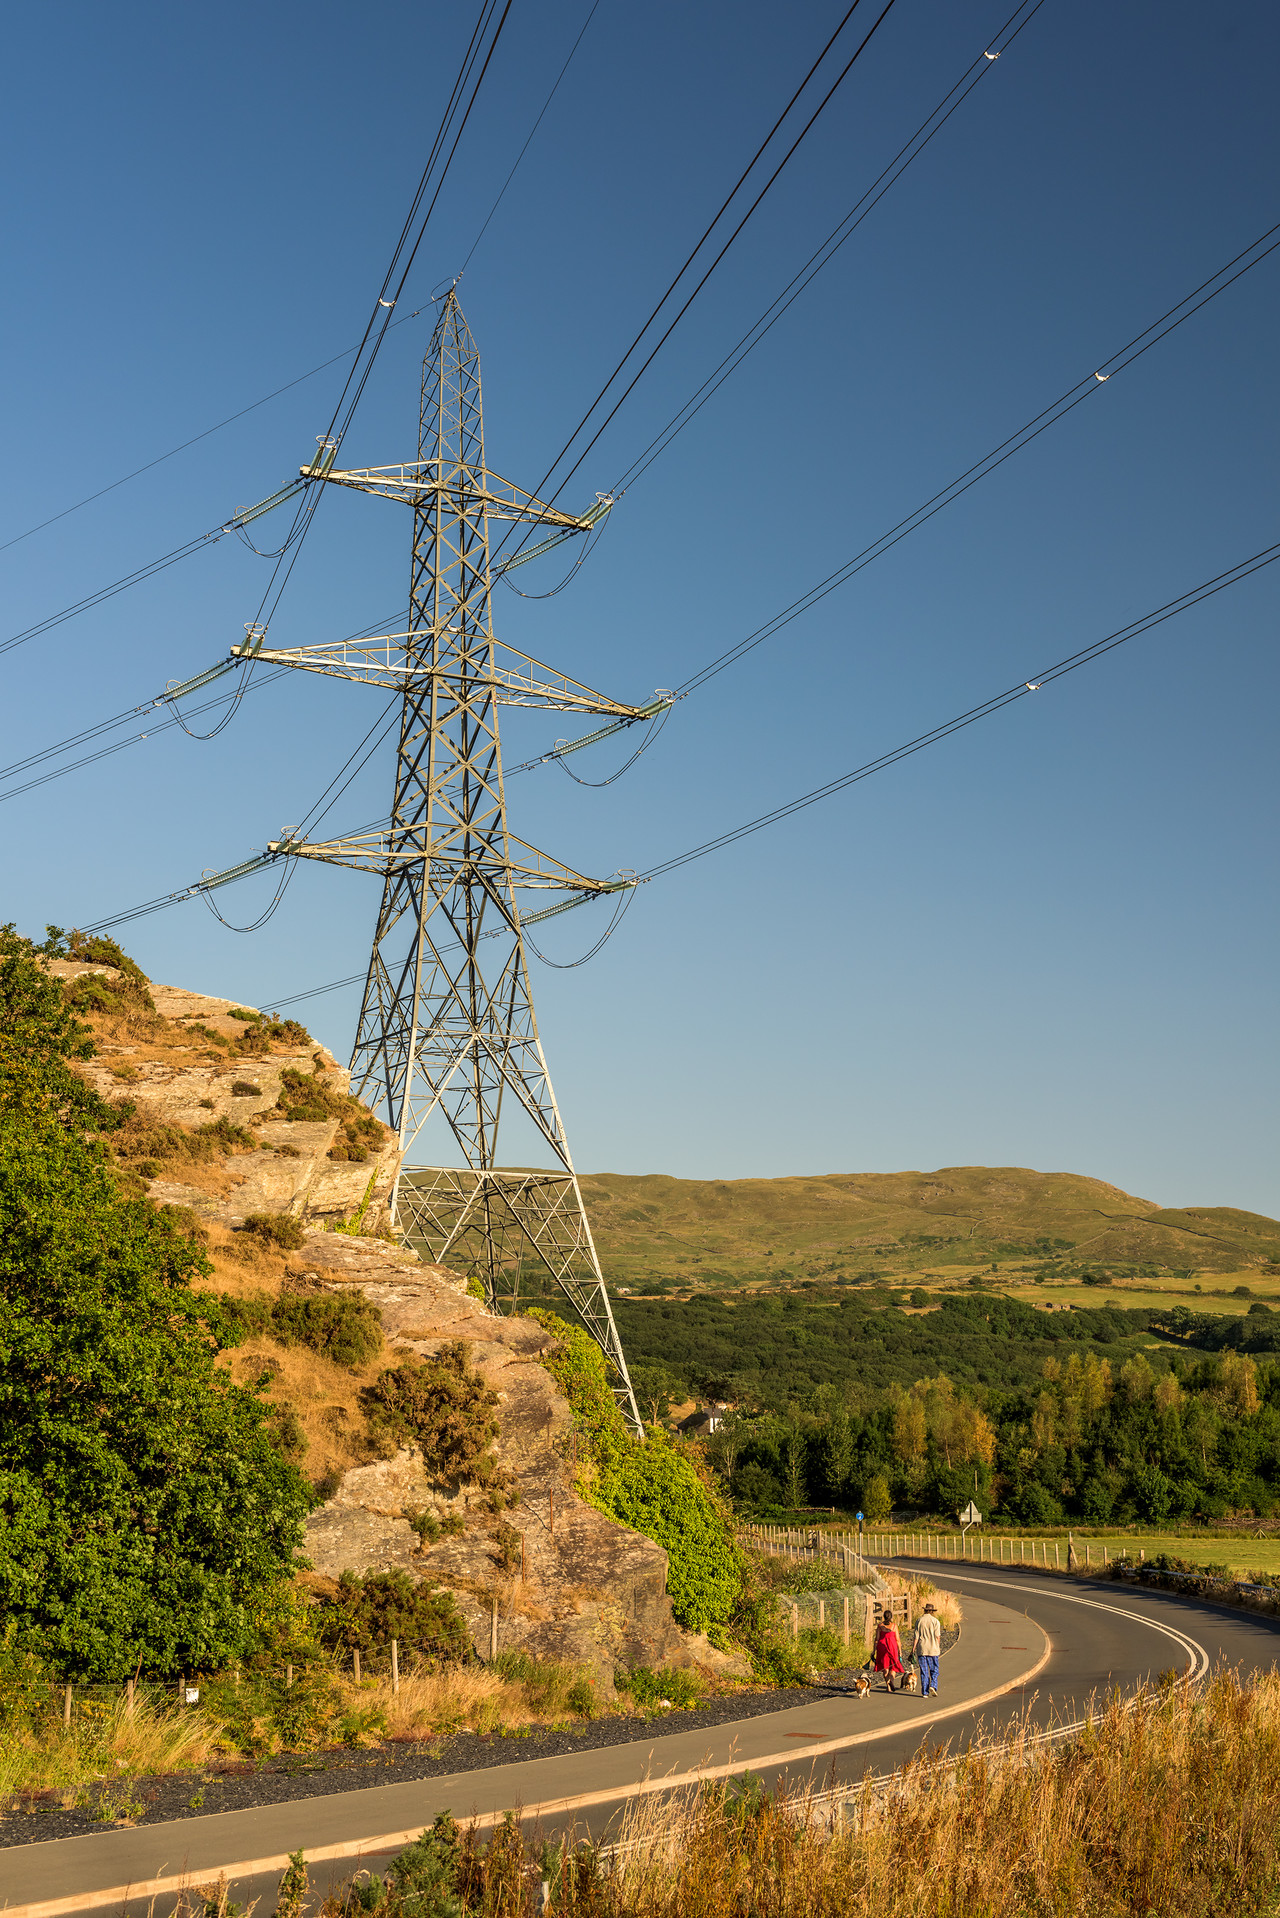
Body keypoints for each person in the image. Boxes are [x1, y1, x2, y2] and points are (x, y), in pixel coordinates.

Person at [871, 1609, 905, 1692]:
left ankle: (888, 1686)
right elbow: (897, 1640)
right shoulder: (894, 1626)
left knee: (885, 1666)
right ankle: (891, 1681)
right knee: (893, 1665)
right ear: (891, 1617)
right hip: (892, 1647)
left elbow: (877, 1639)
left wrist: (874, 1650)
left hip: (882, 1647)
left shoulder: (880, 1626)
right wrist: (900, 1651)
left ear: (884, 1617)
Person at [914, 1601, 941, 1696]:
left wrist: (913, 1649)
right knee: (934, 1670)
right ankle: (933, 1685)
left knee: (924, 1671)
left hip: (922, 1648)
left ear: (925, 1610)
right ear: (932, 1611)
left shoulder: (919, 1620)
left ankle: (925, 1692)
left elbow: (916, 1637)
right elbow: (938, 1636)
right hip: (933, 1649)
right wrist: (938, 1647)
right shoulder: (935, 1621)